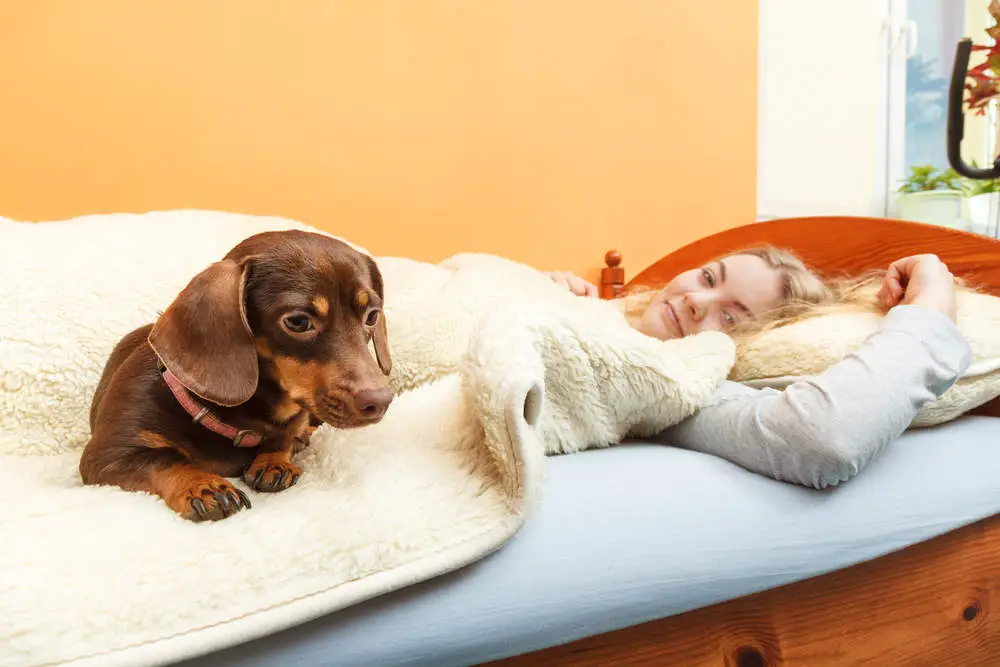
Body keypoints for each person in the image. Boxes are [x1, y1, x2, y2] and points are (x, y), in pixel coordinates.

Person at [546, 248, 972, 490]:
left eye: (731, 318)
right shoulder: (599, 314)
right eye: (710, 278)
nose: (697, 300)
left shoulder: (680, 388)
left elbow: (823, 437)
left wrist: (932, 305)